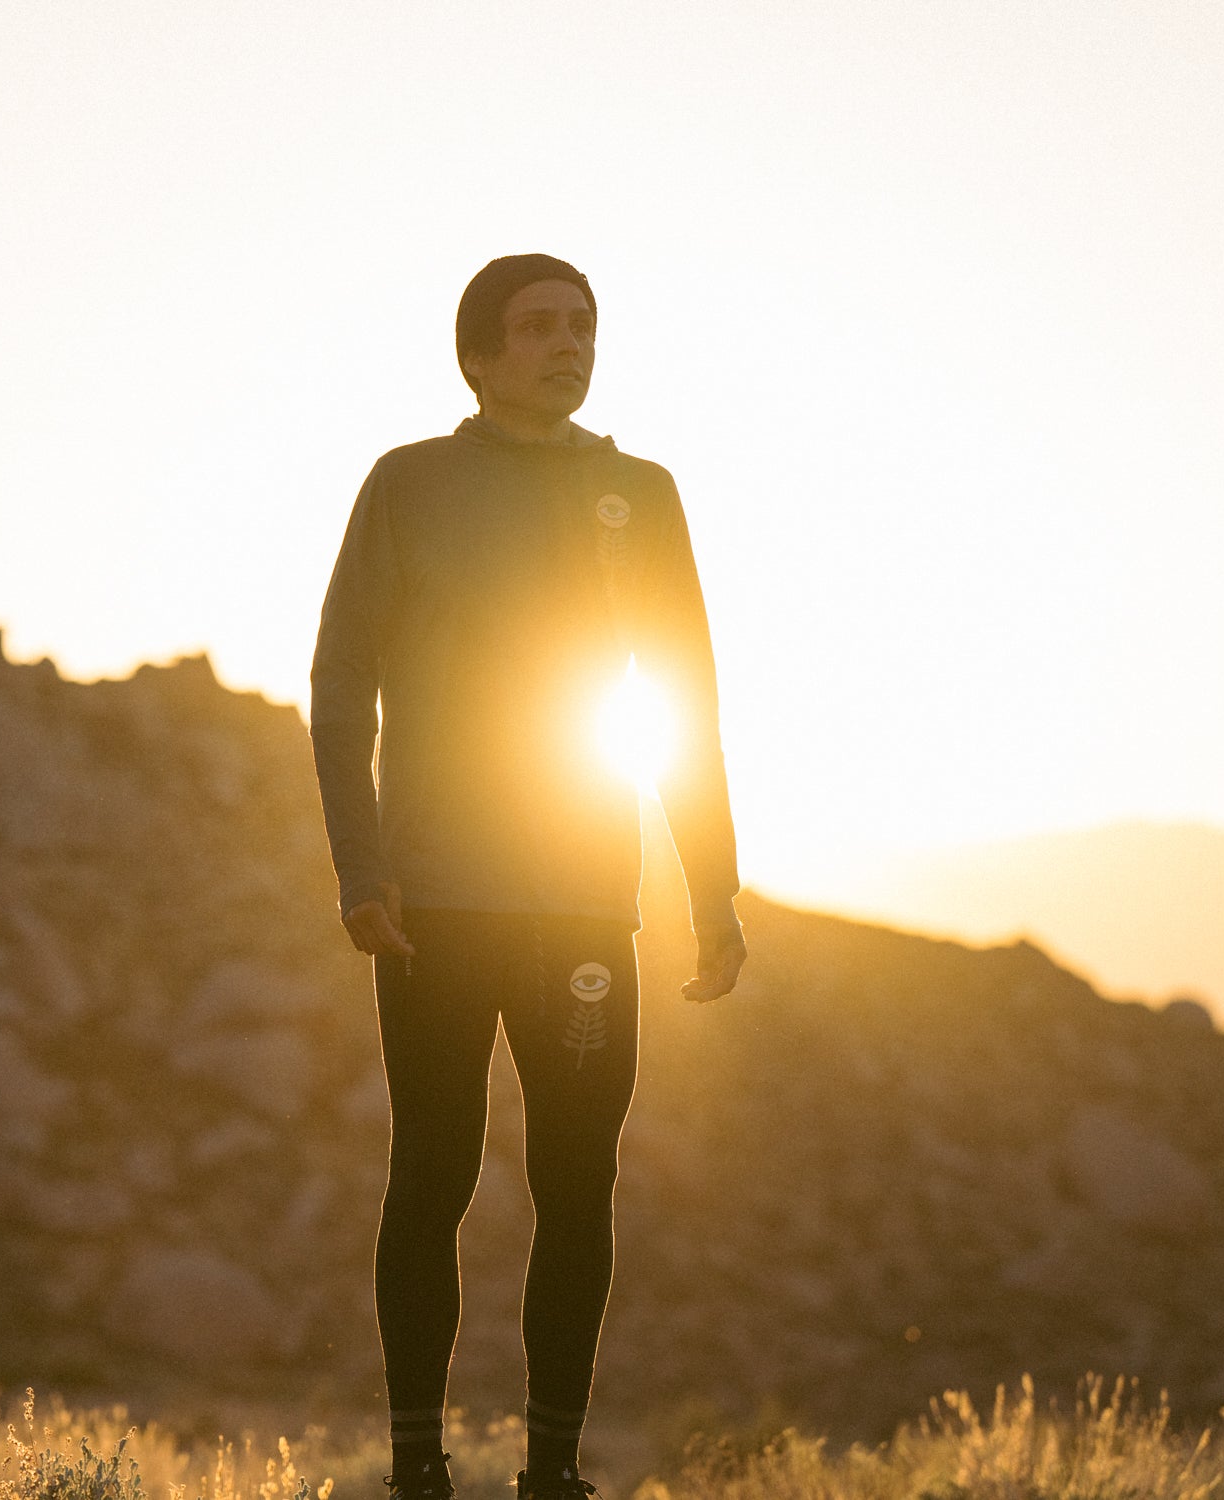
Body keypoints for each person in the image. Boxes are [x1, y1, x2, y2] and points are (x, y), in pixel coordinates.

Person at [310, 254, 746, 1500]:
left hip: (588, 905)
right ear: (481, 355)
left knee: (578, 1182)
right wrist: (361, 867)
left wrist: (711, 890)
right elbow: (341, 690)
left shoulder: (642, 494)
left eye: (584, 325)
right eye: (540, 326)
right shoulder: (409, 485)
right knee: (433, 1172)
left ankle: (552, 1472)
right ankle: (416, 1471)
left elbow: (685, 706)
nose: (569, 343)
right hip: (435, 903)